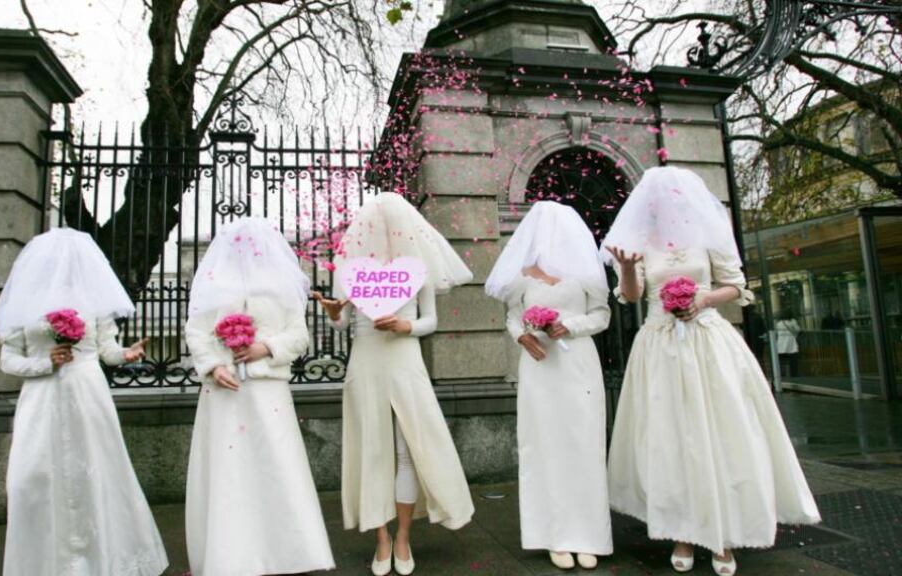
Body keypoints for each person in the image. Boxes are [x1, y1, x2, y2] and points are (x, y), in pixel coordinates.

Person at [602, 167, 821, 576]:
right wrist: (629, 268)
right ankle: (683, 530)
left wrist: (703, 301)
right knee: (671, 438)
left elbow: (736, 287)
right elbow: (630, 296)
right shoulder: (637, 242)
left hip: (709, 344)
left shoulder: (708, 234)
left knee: (721, 433)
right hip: (660, 347)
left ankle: (724, 533)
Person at [314, 193, 475, 576]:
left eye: (392, 225)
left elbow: (430, 320)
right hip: (365, 359)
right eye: (378, 225)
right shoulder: (350, 269)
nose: (385, 232)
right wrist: (334, 313)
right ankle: (381, 538)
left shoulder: (416, 266)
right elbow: (342, 323)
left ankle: (403, 536)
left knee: (407, 450)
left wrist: (406, 326)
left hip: (405, 359)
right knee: (372, 449)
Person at [0, 227, 168, 576]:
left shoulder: (93, 305)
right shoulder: (24, 305)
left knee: (96, 470)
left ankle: (104, 558)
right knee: (31, 476)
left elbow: (107, 351)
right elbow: (8, 359)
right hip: (42, 396)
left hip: (87, 392)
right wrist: (45, 363)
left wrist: (127, 354)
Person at [183, 217, 335, 576]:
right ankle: (230, 556)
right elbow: (196, 331)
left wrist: (266, 346)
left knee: (275, 467)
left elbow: (299, 338)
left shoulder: (282, 290)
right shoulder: (212, 287)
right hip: (224, 392)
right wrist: (212, 366)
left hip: (268, 392)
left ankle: (284, 551)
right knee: (228, 472)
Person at [484, 201, 613, 570]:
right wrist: (521, 337)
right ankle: (553, 534)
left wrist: (570, 326)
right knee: (544, 446)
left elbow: (601, 315)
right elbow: (511, 317)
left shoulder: (585, 273)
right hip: (540, 367)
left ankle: (588, 535)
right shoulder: (522, 275)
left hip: (578, 364)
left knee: (583, 443)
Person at [774, 310, 801, 378]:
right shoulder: (792, 321)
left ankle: (782, 375)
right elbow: (798, 329)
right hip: (790, 342)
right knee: (793, 360)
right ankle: (794, 374)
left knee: (781, 361)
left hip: (781, 343)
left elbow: (776, 332)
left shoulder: (779, 323)